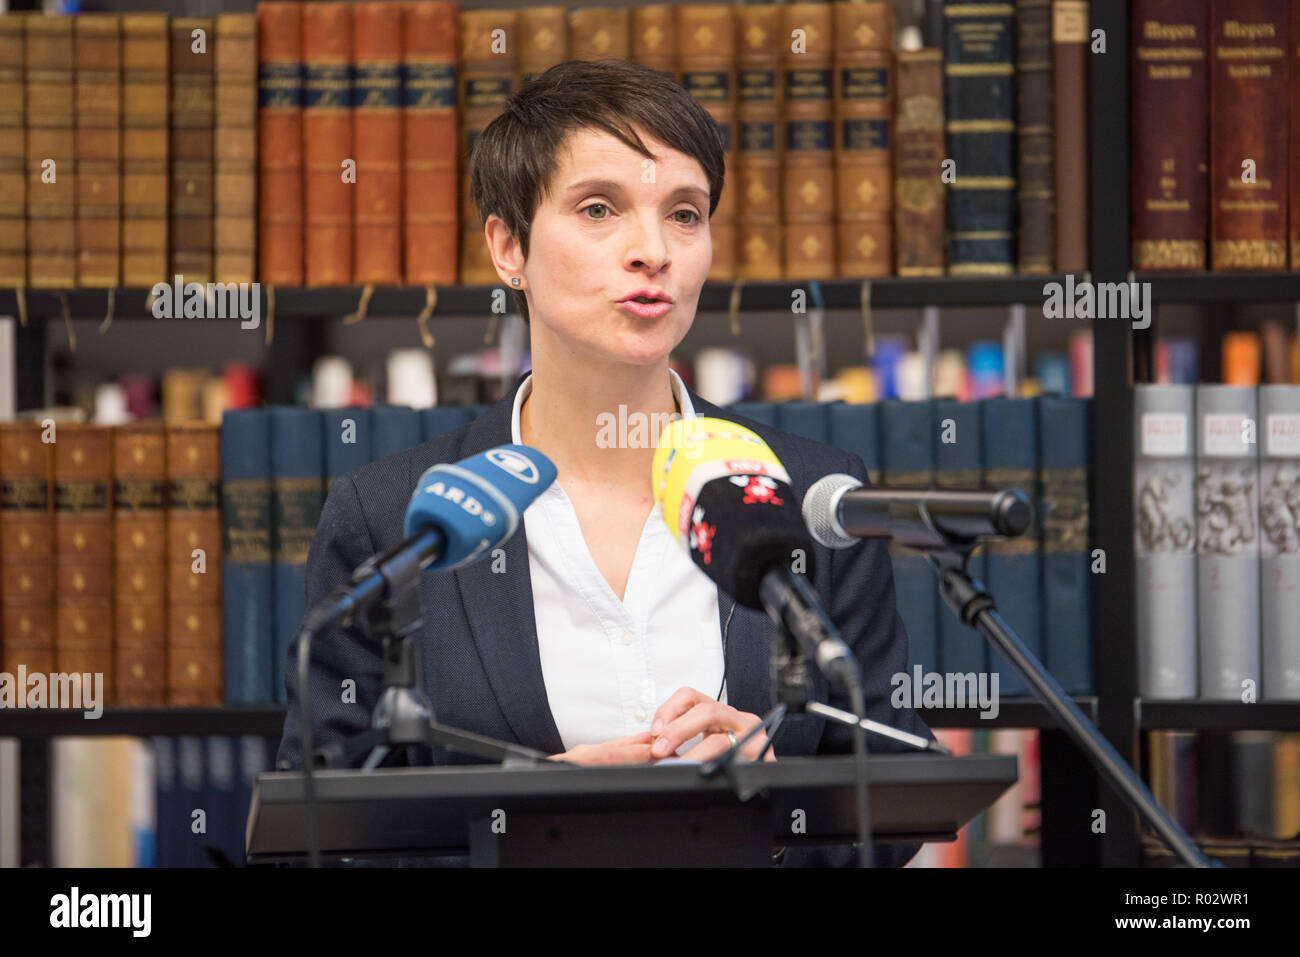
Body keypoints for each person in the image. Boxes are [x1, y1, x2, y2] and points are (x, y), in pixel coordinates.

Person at [278, 58, 935, 866]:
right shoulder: (394, 520)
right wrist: (523, 825)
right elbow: (314, 834)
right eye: (599, 209)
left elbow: (901, 788)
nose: (652, 250)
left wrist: (781, 801)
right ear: (507, 246)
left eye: (685, 214)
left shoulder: (810, 497)